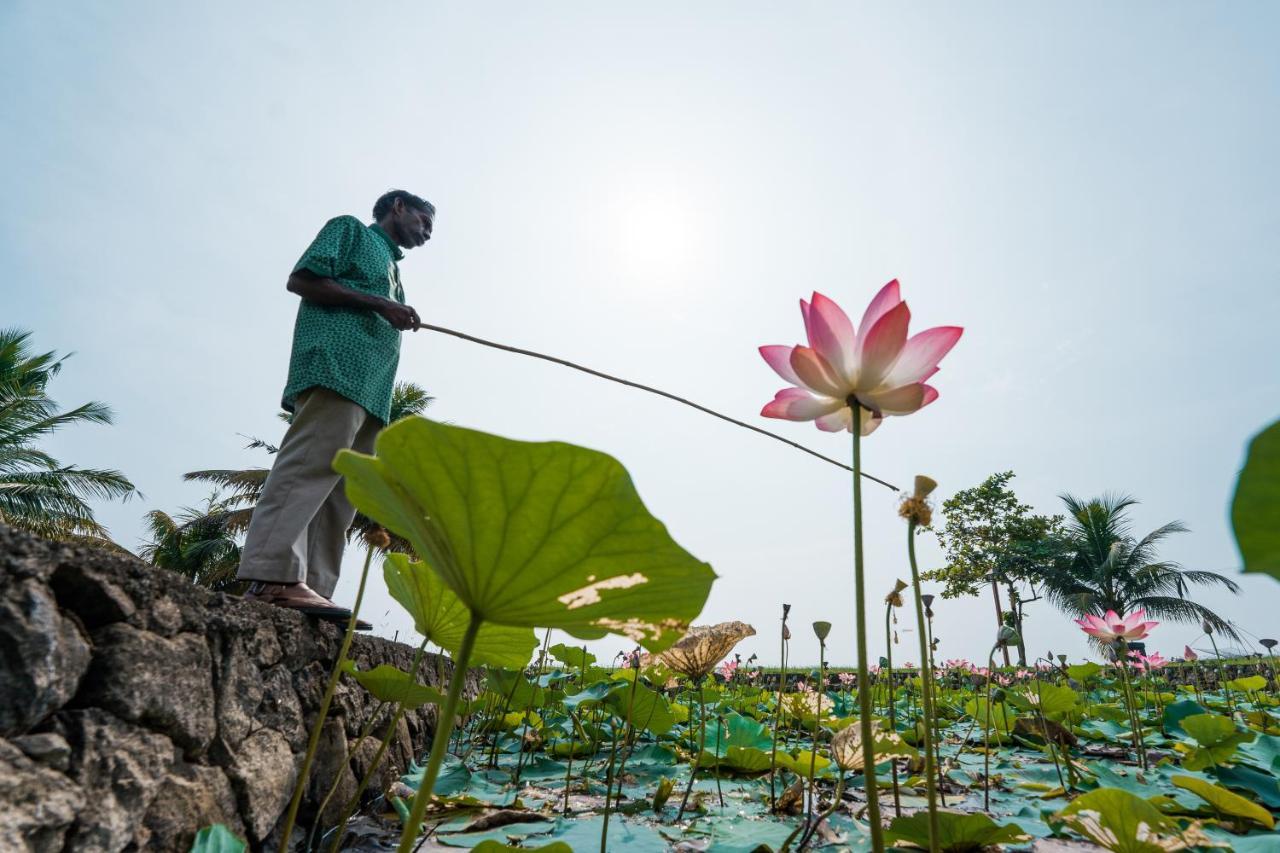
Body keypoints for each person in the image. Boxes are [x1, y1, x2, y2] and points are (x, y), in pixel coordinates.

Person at [235, 189, 434, 624]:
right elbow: (303, 279)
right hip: (335, 369)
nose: (427, 233)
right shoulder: (349, 231)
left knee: (341, 494)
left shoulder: (394, 270)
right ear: (398, 207)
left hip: (372, 391)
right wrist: (380, 303)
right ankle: (271, 577)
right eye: (423, 221)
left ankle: (314, 591)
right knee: (310, 466)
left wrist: (389, 303)